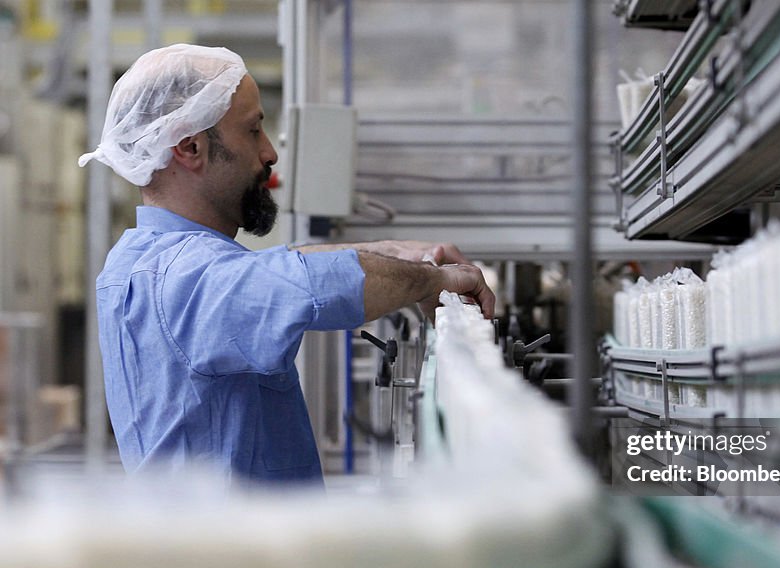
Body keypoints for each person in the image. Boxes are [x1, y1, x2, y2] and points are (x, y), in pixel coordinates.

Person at [79, 44, 495, 484]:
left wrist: (396, 252)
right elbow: (303, 284)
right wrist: (432, 279)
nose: (270, 153)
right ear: (190, 147)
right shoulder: (178, 278)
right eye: (253, 130)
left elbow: (281, 267)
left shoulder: (160, 258)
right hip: (229, 550)